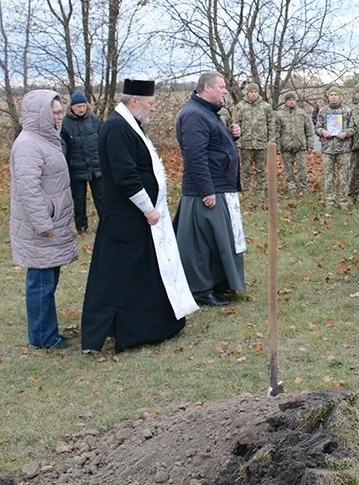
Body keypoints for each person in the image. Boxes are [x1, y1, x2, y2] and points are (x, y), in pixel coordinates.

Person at [81, 80, 196, 352]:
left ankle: (154, 324)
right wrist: (148, 208)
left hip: (135, 218)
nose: (154, 108)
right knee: (123, 277)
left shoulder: (129, 124)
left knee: (142, 274)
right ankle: (128, 330)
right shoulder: (117, 128)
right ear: (135, 101)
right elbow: (126, 175)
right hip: (127, 218)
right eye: (151, 103)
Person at [10, 90, 78, 349]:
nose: (60, 117)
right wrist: (44, 224)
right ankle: (42, 338)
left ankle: (48, 332)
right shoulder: (28, 144)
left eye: (61, 112)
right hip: (41, 229)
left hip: (51, 225)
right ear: (40, 114)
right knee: (40, 285)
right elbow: (29, 189)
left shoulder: (46, 139)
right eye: (55, 112)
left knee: (47, 283)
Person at [175, 72, 246, 307]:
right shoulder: (194, 115)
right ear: (207, 88)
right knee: (200, 244)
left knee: (220, 241)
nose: (226, 91)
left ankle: (220, 283)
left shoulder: (208, 113)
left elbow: (215, 148)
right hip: (206, 190)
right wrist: (207, 191)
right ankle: (201, 290)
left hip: (219, 186)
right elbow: (195, 157)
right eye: (222, 87)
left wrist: (231, 137)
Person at [60, 91, 105, 234]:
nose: (81, 109)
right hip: (76, 169)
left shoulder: (95, 120)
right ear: (71, 107)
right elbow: (62, 146)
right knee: (79, 201)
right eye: (78, 106)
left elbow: (103, 142)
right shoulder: (65, 123)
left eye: (83, 106)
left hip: (96, 167)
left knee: (102, 198)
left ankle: (106, 224)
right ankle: (81, 227)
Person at [316, 87, 356, 210]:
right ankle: (330, 200)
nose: (333, 97)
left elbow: (354, 128)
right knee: (329, 176)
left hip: (343, 149)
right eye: (331, 95)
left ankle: (343, 200)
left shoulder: (347, 111)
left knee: (344, 175)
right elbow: (317, 127)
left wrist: (346, 133)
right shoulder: (323, 111)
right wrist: (322, 131)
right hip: (328, 149)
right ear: (328, 97)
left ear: (340, 96)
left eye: (335, 95)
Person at [232, 82, 274, 194]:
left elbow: (271, 124)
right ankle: (246, 190)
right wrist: (238, 141)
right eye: (251, 92)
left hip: (262, 143)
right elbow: (236, 124)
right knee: (246, 169)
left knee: (261, 169)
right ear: (247, 93)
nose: (254, 94)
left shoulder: (265, 107)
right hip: (246, 143)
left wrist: (271, 141)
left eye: (255, 92)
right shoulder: (240, 106)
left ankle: (260, 190)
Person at [274, 92, 312, 194]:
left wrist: (310, 145)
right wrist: (277, 147)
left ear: (295, 101)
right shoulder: (279, 114)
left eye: (293, 100)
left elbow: (308, 130)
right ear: (285, 102)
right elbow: (276, 131)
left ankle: (303, 188)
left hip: (300, 146)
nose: (291, 102)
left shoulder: (302, 113)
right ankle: (292, 188)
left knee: (302, 168)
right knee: (288, 169)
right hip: (286, 146)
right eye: (289, 100)